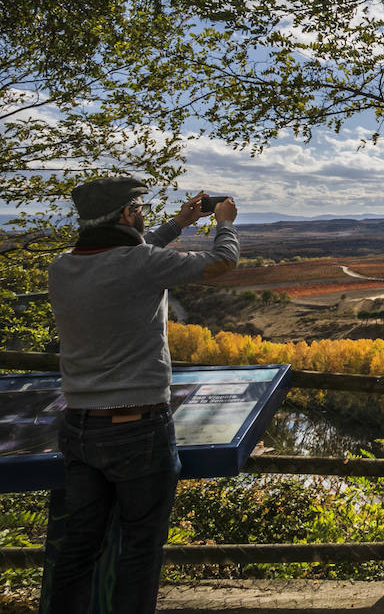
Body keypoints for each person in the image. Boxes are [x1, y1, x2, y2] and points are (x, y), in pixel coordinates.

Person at [45, 177, 239, 614]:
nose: (143, 214)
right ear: (128, 215)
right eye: (139, 209)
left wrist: (178, 224)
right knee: (140, 547)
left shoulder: (63, 266)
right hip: (138, 428)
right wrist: (223, 222)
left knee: (78, 547)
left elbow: (122, 255)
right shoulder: (141, 264)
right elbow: (223, 262)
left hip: (78, 426)